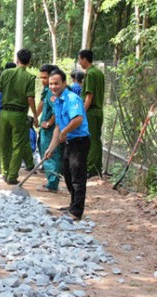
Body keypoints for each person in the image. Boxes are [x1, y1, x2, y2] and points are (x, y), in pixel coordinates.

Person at [45, 69, 90, 220]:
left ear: (64, 83)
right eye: (51, 84)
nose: (53, 87)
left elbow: (78, 119)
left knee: (77, 176)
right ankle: (72, 204)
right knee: (68, 174)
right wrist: (50, 148)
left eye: (56, 83)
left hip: (79, 141)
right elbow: (58, 127)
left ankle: (76, 211)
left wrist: (65, 131)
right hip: (67, 142)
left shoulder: (72, 98)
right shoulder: (57, 101)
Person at [0, 49, 38, 185]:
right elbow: (30, 98)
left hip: (4, 113)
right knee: (18, 145)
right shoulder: (29, 77)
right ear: (29, 61)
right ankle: (12, 175)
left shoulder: (6, 73)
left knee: (4, 143)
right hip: (19, 114)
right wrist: (35, 116)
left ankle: (4, 172)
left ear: (17, 59)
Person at [78, 49, 105, 178]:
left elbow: (89, 96)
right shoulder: (99, 73)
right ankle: (97, 167)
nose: (79, 62)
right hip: (98, 110)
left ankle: (91, 169)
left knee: (91, 140)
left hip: (91, 111)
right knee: (96, 139)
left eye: (79, 59)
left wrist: (81, 113)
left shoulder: (90, 74)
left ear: (84, 59)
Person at [36, 64, 61, 193]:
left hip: (50, 131)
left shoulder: (52, 92)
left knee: (50, 154)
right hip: (46, 129)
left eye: (45, 78)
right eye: (41, 78)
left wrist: (49, 123)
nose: (43, 81)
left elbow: (57, 110)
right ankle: (52, 181)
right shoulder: (47, 91)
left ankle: (52, 184)